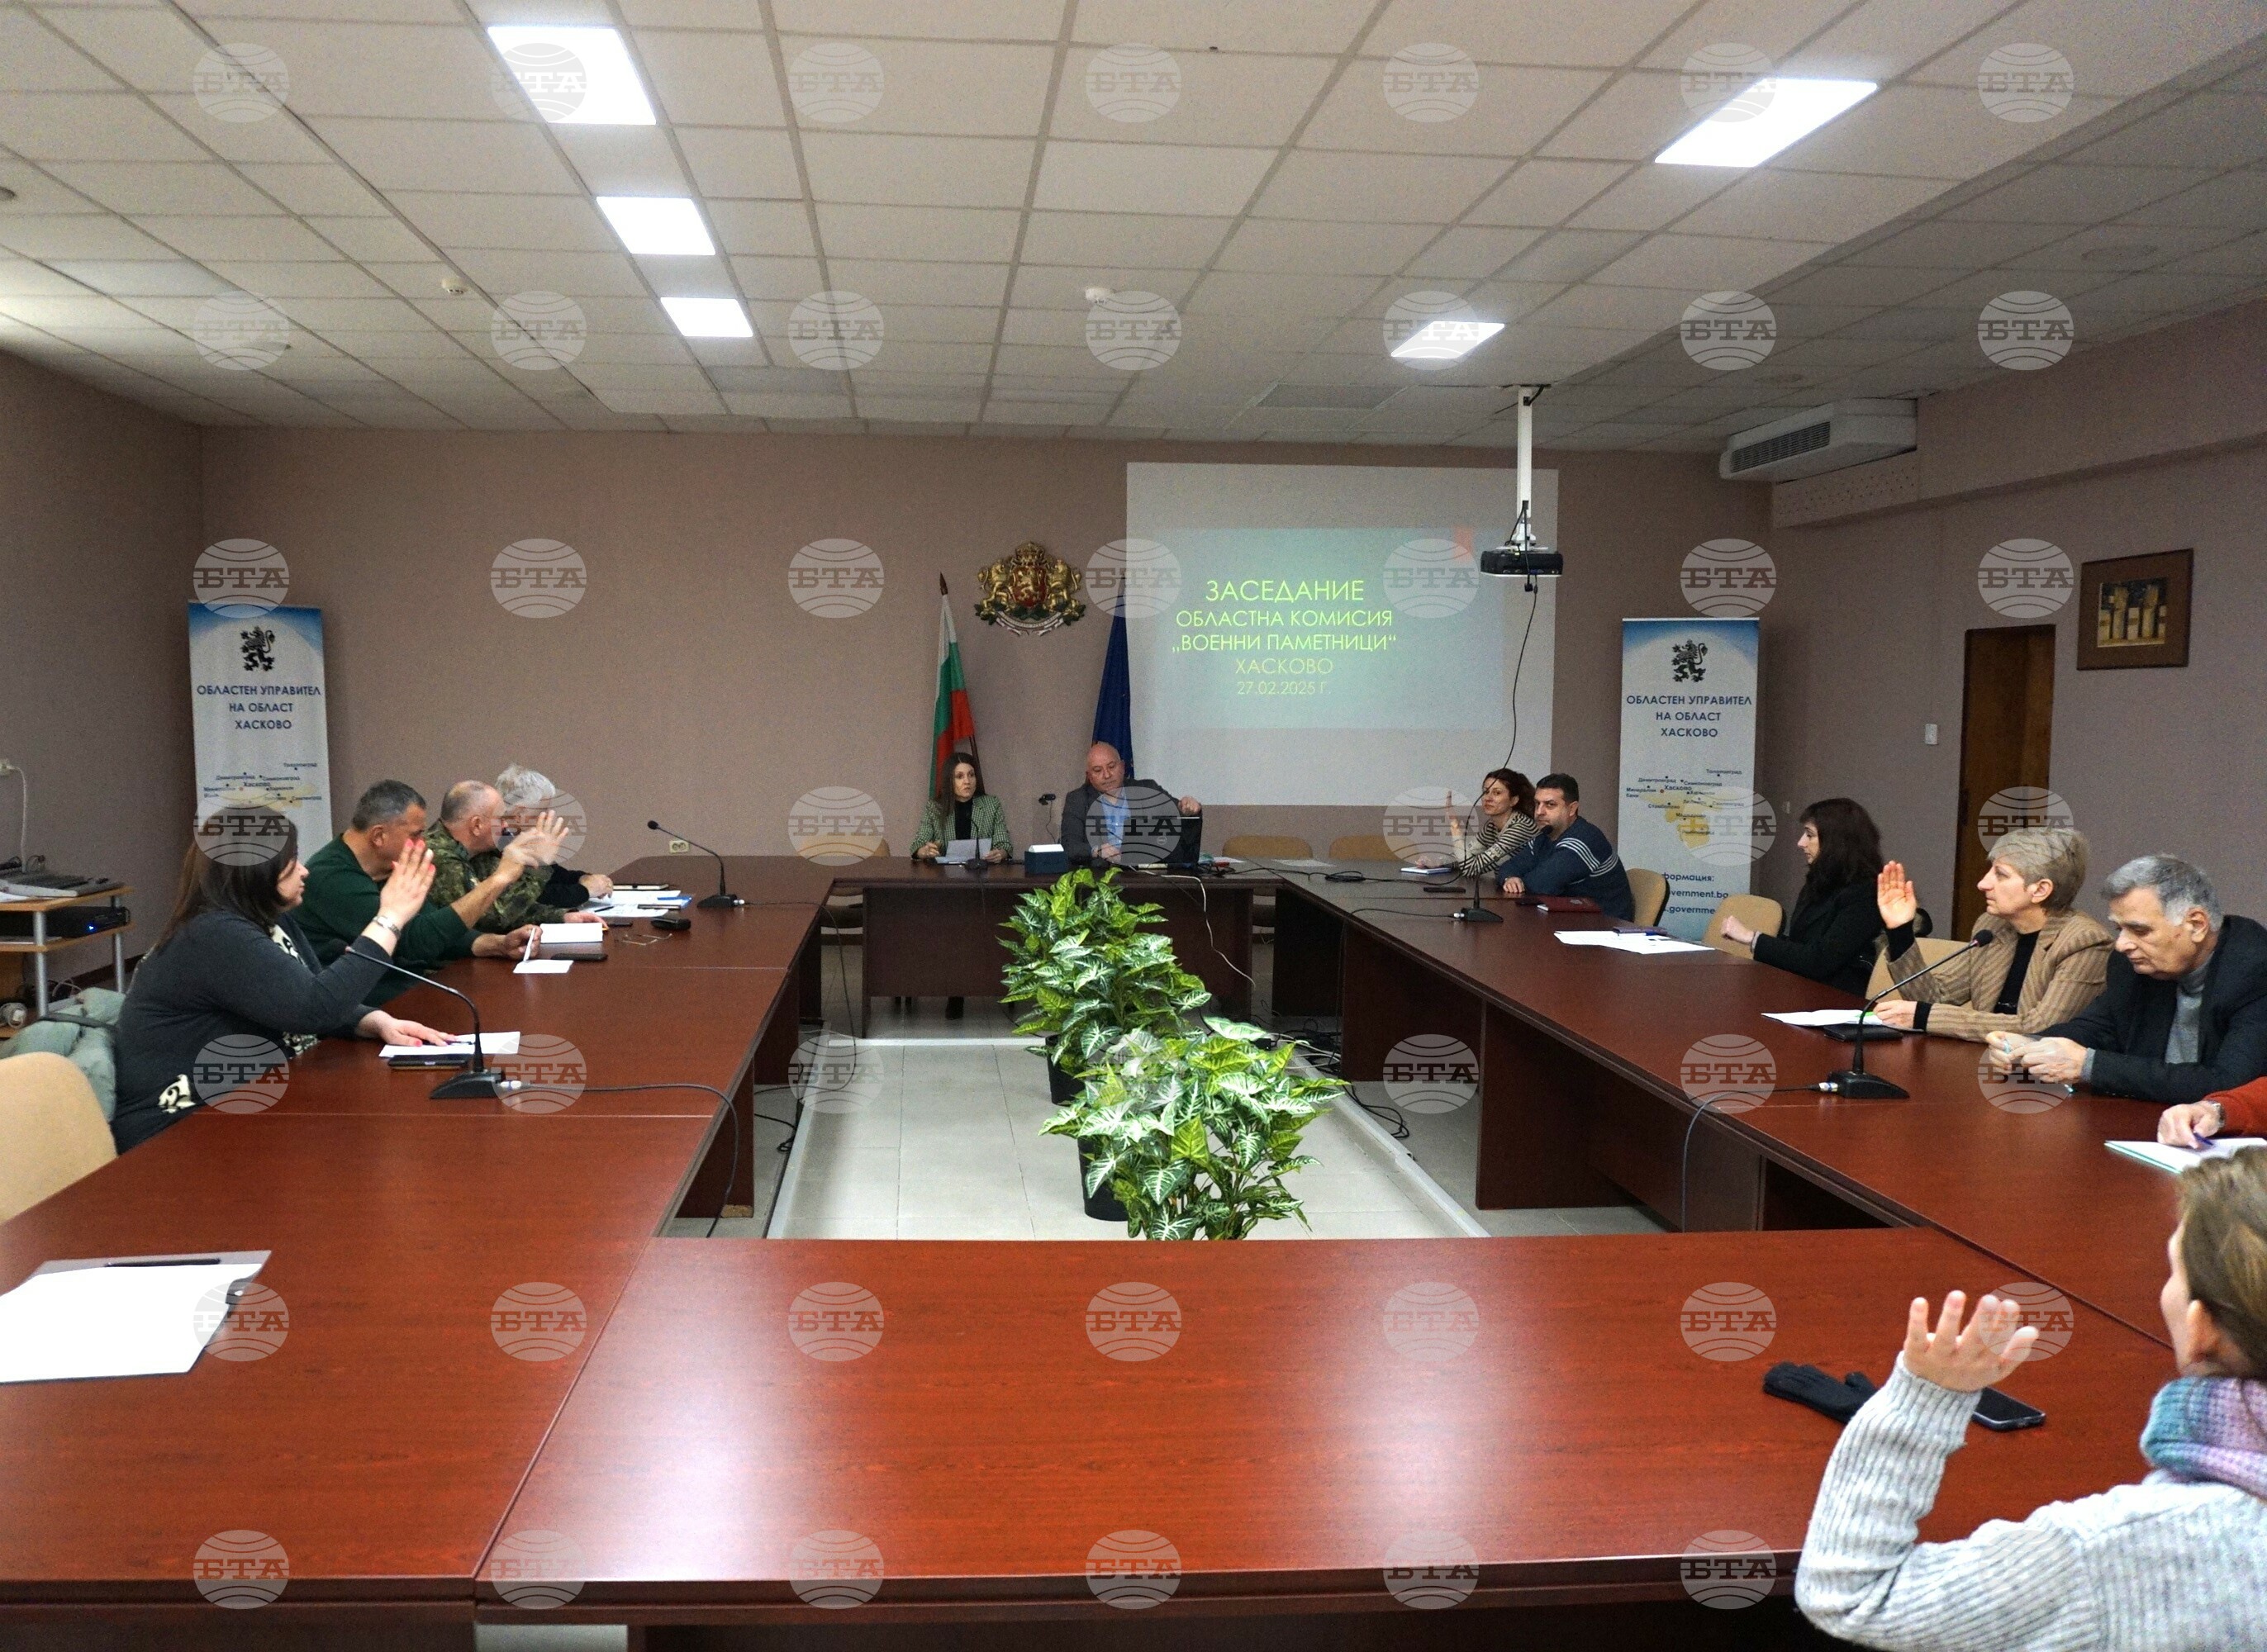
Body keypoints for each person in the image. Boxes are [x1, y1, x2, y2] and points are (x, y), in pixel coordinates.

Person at [1796, 1146, 2267, 1648]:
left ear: (2201, 1329)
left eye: (2172, 1270)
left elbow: (1851, 1597)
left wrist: (1923, 1399)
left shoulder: (2107, 1551)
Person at [112, 806, 455, 1151]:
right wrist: (390, 917)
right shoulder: (214, 934)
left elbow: (308, 991)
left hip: (242, 1106)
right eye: (291, 862)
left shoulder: (270, 920)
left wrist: (373, 1020)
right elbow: (315, 1007)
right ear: (256, 872)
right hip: (179, 1129)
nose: (304, 871)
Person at [1993, 855, 2267, 1104]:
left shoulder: (2257, 970)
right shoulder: (2132, 964)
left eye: (2139, 930)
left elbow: (2231, 1085)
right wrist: (2030, 1046)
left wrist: (2089, 1066)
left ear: (2196, 925)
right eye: (2119, 929)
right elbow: (2097, 1028)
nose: (2122, 944)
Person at [298, 779, 544, 1002]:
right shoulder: (332, 877)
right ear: (379, 836)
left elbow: (430, 923)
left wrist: (498, 944)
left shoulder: (388, 865)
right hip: (357, 1008)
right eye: (415, 835)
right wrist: (499, 879)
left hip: (397, 992)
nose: (423, 843)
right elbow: (416, 942)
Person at [1867, 828, 2112, 1039]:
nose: (1982, 884)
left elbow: (2042, 1027)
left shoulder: (2085, 942)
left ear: (2040, 890)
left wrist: (1925, 1016)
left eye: (2000, 875)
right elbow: (1934, 998)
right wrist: (1900, 931)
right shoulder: (1993, 926)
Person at [1722, 797, 1884, 997]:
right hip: (1800, 989)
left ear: (1836, 841)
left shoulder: (1866, 893)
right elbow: (1800, 945)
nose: (1801, 843)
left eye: (1810, 835)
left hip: (1837, 1000)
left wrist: (1752, 938)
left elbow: (1819, 961)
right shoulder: (1819, 881)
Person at [425, 780, 603, 935]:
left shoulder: (479, 849)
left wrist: (561, 917)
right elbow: (494, 919)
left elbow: (506, 905)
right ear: (477, 825)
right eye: (500, 819)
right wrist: (538, 865)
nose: (506, 826)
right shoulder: (438, 857)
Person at [1497, 772, 1633, 920]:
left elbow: (1540, 886)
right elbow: (1509, 866)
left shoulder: (1584, 840)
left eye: (1550, 805)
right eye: (1537, 804)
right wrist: (1510, 878)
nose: (1539, 812)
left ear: (1572, 809)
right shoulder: (1546, 835)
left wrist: (1519, 881)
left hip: (1604, 925)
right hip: (1571, 919)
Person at [1060, 742, 1200, 866]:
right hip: (1101, 876)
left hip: (1147, 874)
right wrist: (1096, 850)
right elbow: (1069, 846)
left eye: (1111, 767)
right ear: (1089, 776)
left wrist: (1188, 808)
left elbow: (1180, 813)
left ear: (1122, 766)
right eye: (1098, 770)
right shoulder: (1077, 800)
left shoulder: (1148, 789)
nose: (1107, 775)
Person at [497, 763, 612, 908]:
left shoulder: (517, 838)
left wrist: (583, 878)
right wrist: (585, 890)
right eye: (542, 811)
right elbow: (538, 897)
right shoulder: (497, 846)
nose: (548, 816)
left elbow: (554, 876)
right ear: (519, 814)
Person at [913, 752, 1012, 864]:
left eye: (971, 775)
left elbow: (1004, 844)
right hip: (945, 872)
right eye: (960, 777)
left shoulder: (991, 804)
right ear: (949, 781)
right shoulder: (935, 807)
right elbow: (918, 844)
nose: (967, 781)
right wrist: (924, 851)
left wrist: (1000, 854)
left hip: (982, 870)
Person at [1443, 769, 1539, 880]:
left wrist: (1454, 825)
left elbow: (1470, 869)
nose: (1488, 798)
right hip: (1507, 886)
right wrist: (1438, 862)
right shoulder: (1491, 826)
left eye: (1497, 793)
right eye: (1486, 792)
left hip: (1531, 889)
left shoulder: (1521, 827)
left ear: (1513, 800)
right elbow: (1466, 857)